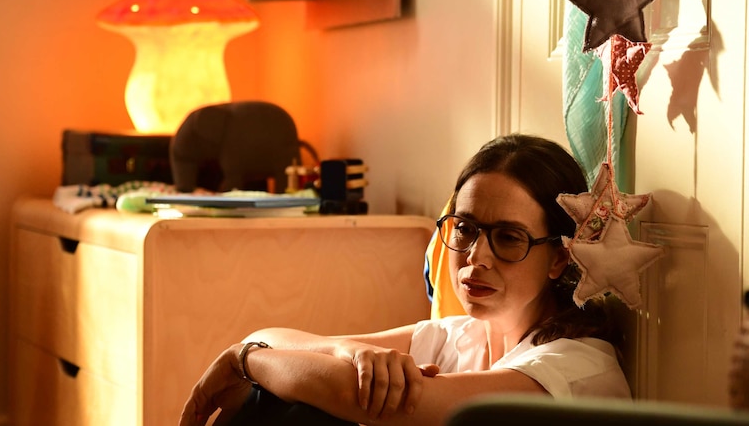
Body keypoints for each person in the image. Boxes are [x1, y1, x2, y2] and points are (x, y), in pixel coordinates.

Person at [179, 134, 631, 426]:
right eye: (466, 229)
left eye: (508, 238)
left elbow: (357, 397)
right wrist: (349, 349)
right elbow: (273, 338)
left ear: (558, 257)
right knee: (278, 404)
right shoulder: (460, 338)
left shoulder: (576, 369)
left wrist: (245, 359)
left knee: (295, 408)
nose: (476, 256)